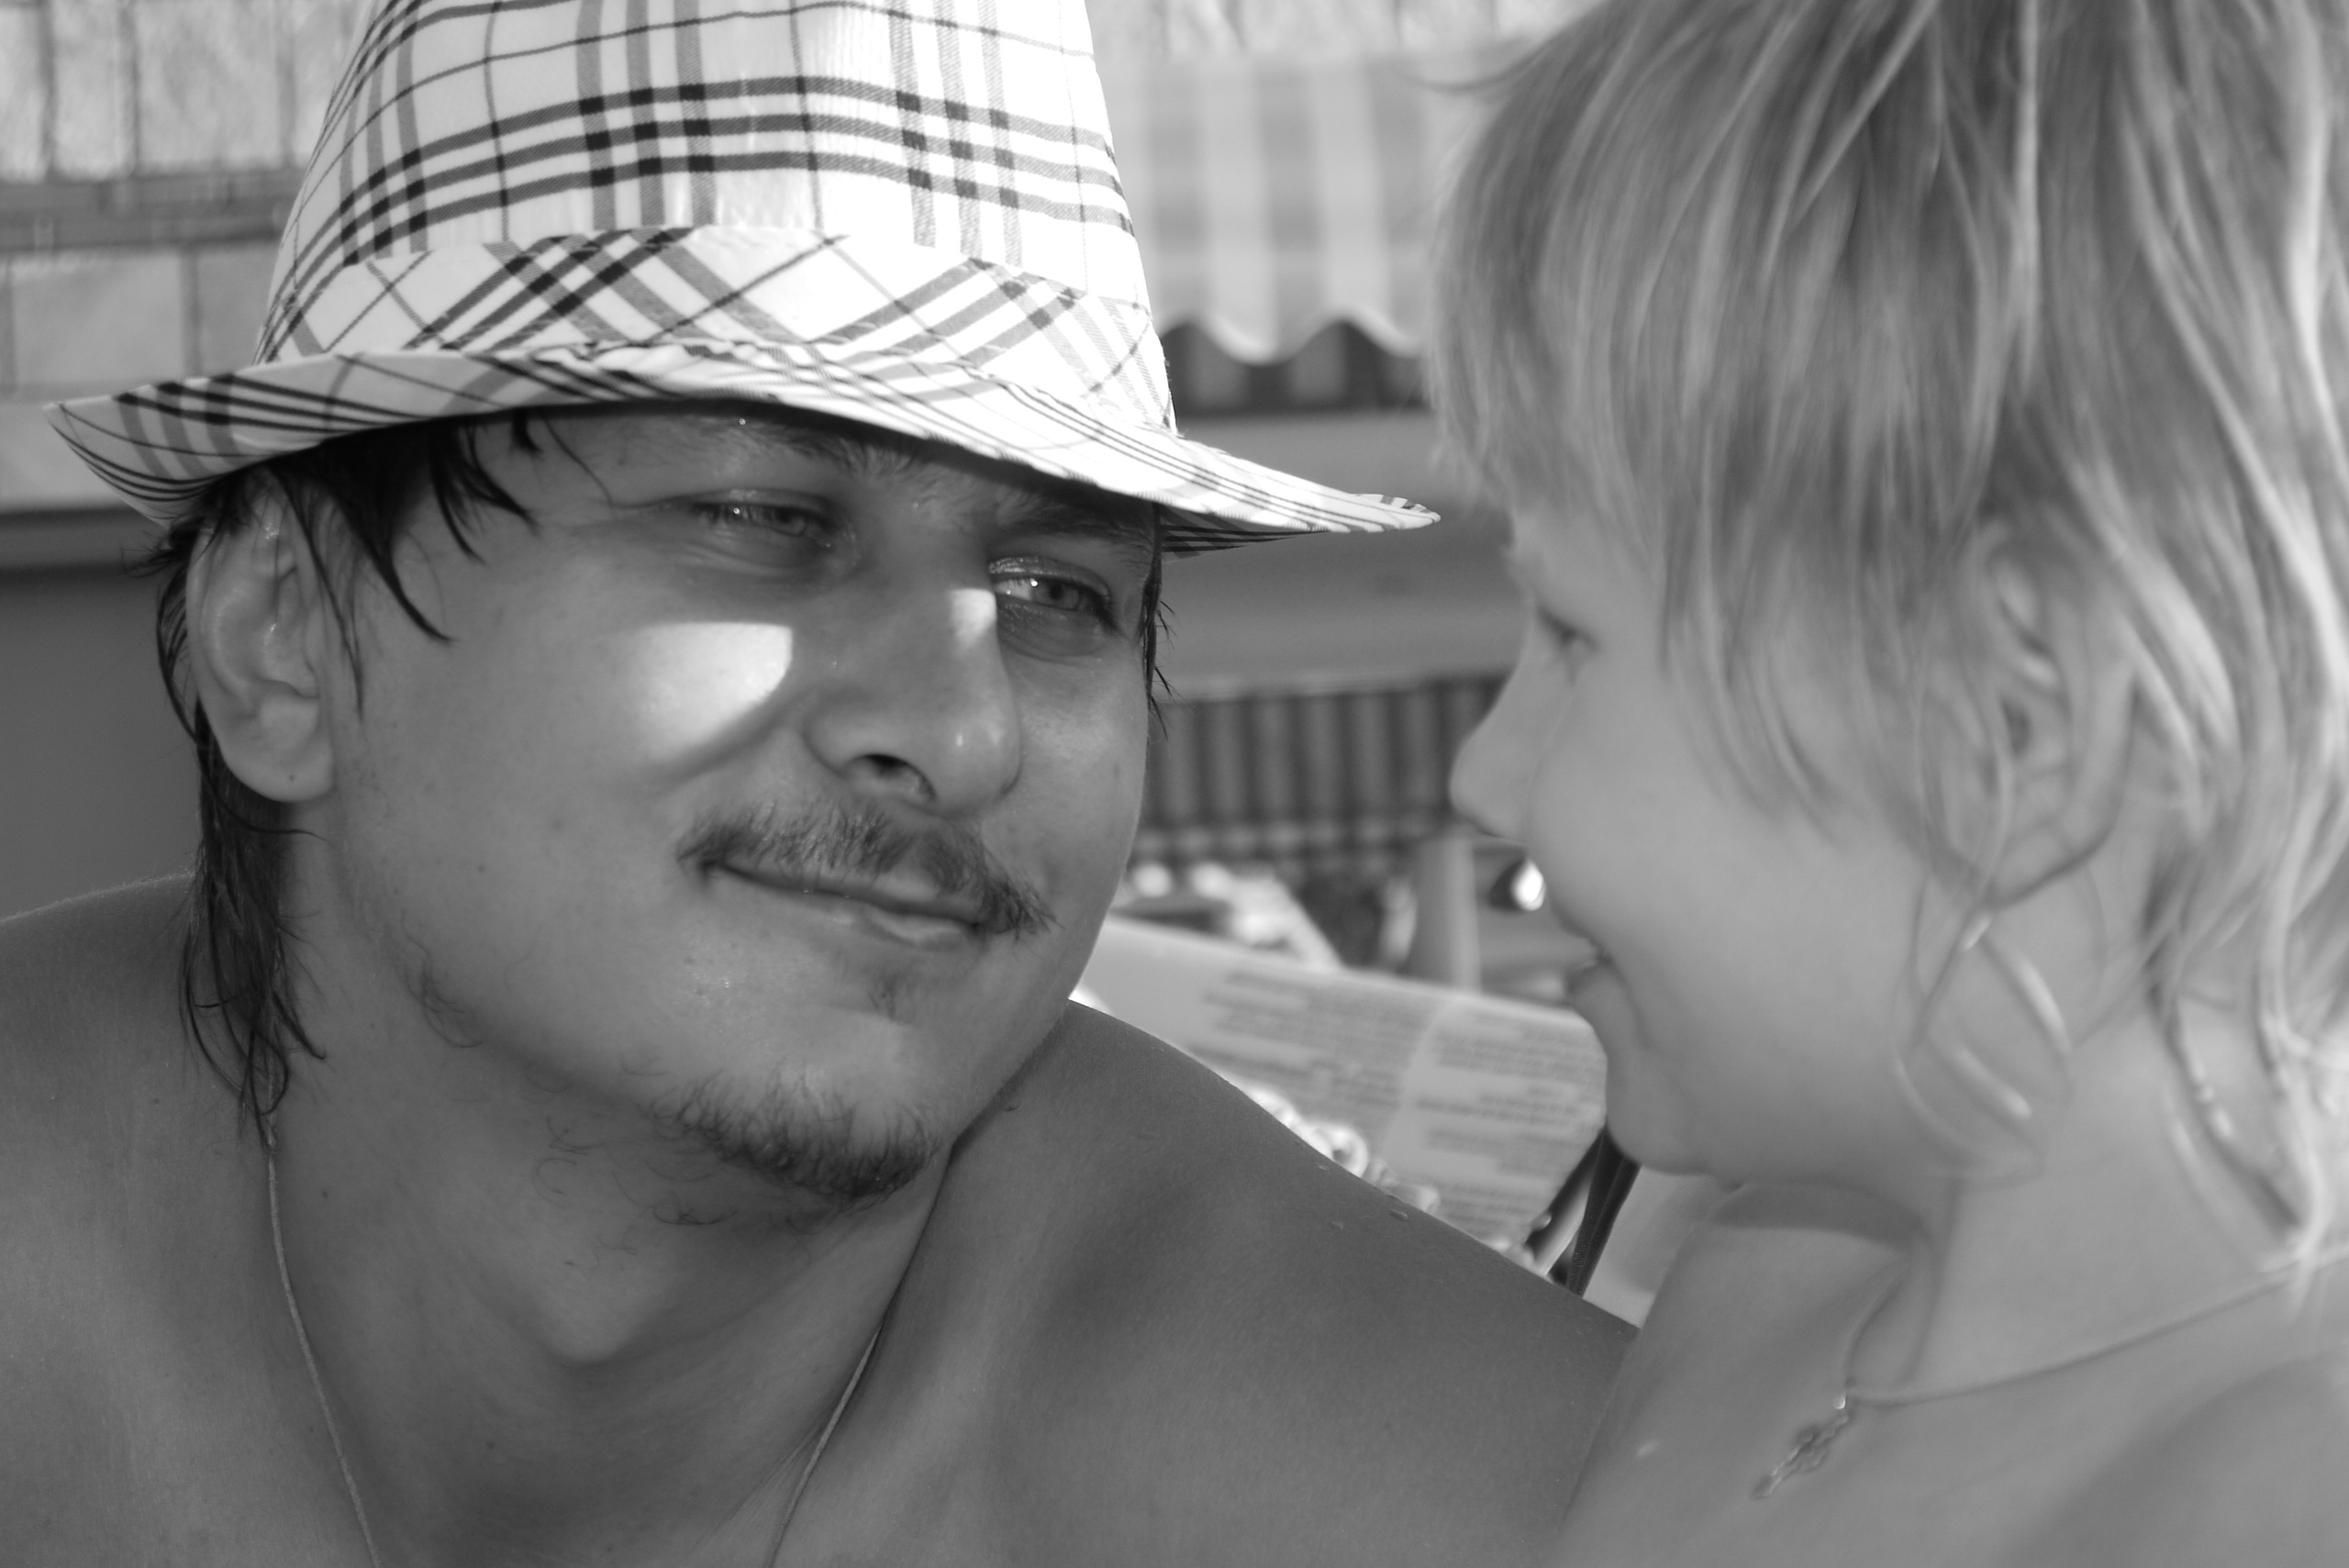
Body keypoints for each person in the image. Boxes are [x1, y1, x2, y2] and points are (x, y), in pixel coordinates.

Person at [0, 0, 1627, 1562]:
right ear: (284, 638)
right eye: (762, 519)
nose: (964, 731)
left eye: (1060, 591)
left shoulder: (1417, 1474)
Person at [1435, 0, 2349, 1562]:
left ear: (2010, 718)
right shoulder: (1750, 1291)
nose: (1482, 773)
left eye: (1572, 634)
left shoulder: (2279, 1501)